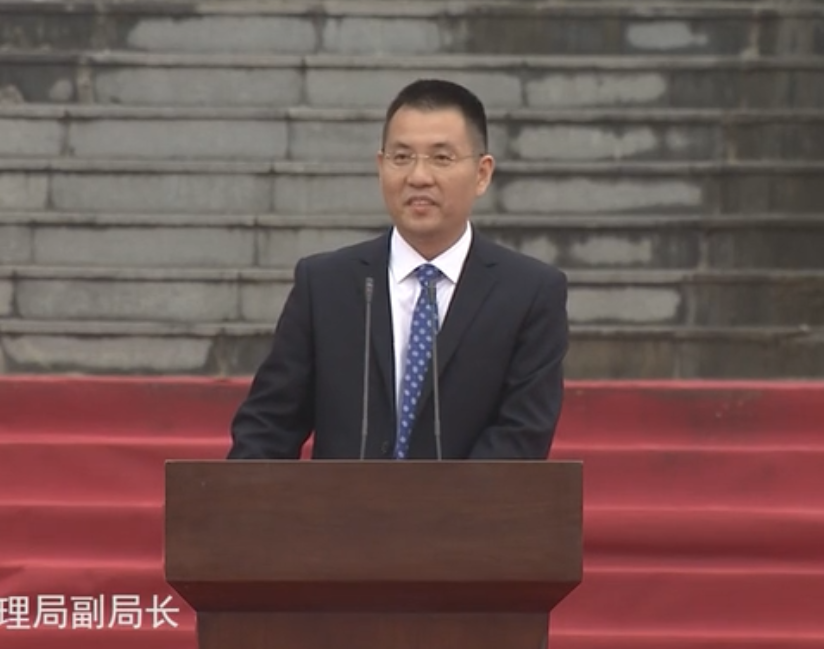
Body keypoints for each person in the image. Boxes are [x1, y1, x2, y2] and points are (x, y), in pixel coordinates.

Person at [227, 78, 569, 461]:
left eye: (441, 158)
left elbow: (521, 437)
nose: (418, 177)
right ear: (381, 166)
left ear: (482, 174)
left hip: (471, 502)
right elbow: (268, 427)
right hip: (343, 501)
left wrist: (430, 500)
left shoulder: (529, 293)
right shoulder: (325, 285)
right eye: (402, 157)